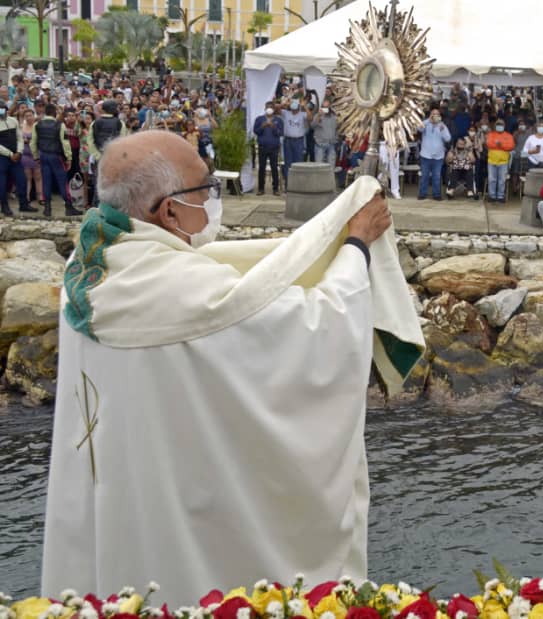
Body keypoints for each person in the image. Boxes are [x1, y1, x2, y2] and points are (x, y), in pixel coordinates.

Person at [41, 130, 424, 606]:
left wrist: (315, 240)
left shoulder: (90, 261)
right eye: (205, 188)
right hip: (189, 509)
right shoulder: (188, 292)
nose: (213, 199)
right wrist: (355, 247)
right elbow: (314, 327)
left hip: (124, 494)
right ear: (170, 212)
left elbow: (227, 278)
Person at [29, 103, 80, 217]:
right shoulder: (59, 125)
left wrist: (36, 156)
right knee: (62, 181)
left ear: (45, 112)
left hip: (43, 155)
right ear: (54, 113)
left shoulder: (37, 124)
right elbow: (65, 143)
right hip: (56, 156)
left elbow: (33, 143)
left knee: (46, 181)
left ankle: (47, 208)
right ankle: (68, 207)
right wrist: (69, 158)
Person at [0, 94, 36, 215]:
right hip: (3, 158)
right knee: (2, 183)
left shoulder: (13, 120)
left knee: (22, 180)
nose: (2, 110)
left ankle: (23, 204)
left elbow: (20, 138)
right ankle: (4, 207)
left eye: (3, 108)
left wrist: (19, 152)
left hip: (16, 156)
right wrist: (10, 154)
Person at [417, 108, 451, 200]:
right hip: (425, 155)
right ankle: (422, 194)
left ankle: (437, 195)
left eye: (437, 114)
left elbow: (448, 139)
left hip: (438, 156)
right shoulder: (426, 123)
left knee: (436, 176)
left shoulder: (442, 125)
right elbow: (418, 128)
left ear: (440, 116)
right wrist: (429, 120)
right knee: (425, 176)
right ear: (430, 115)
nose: (435, 116)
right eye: (433, 114)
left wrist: (443, 129)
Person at [253, 102, 284, 196]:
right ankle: (261, 189)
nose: (269, 109)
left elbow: (280, 133)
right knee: (261, 168)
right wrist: (263, 126)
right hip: (263, 147)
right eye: (267, 107)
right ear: (265, 108)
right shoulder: (259, 119)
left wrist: (273, 127)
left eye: (271, 107)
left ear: (274, 109)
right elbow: (256, 131)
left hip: (274, 147)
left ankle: (275, 189)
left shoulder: (278, 120)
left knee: (274, 168)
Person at [281, 98, 310, 188]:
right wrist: (285, 103)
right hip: (288, 141)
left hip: (299, 141)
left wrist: (304, 106)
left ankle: (298, 185)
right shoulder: (286, 113)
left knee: (299, 163)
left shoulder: (302, 114)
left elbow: (310, 117)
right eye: (292, 107)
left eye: (295, 107)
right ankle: (288, 185)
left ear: (298, 107)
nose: (293, 110)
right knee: (288, 163)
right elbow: (275, 109)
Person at [485, 118, 515, 203]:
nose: (499, 126)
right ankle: (492, 196)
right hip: (491, 161)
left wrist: (500, 145)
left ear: (504, 126)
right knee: (492, 179)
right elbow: (489, 144)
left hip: (503, 161)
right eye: (498, 124)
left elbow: (511, 146)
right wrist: (502, 145)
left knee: (502, 180)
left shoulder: (509, 136)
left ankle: (501, 196)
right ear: (495, 126)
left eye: (501, 124)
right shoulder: (491, 134)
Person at [446, 134, 477, 200]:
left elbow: (474, 161)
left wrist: (471, 157)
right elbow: (447, 162)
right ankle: (451, 190)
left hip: (466, 171)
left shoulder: (468, 150)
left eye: (463, 144)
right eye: (459, 144)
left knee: (470, 170)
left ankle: (470, 190)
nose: (461, 145)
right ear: (456, 144)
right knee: (454, 171)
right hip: (456, 171)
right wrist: (449, 157)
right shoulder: (452, 151)